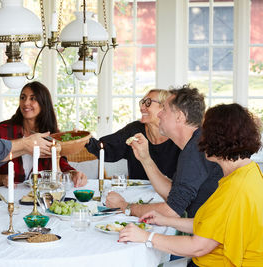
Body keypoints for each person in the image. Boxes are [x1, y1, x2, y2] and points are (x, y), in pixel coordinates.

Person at [118, 103, 263, 267]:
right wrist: (166, 221)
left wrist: (146, 237)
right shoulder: (248, 172)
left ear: (219, 138)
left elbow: (198, 247)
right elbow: (211, 227)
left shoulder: (236, 187)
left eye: (204, 133)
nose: (200, 139)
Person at [106, 85, 223, 218]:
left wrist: (125, 206)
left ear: (179, 117)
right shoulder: (195, 143)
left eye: (165, 109)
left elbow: (172, 210)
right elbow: (174, 195)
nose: (160, 114)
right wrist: (145, 159)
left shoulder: (195, 151)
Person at [0, 81, 87, 189]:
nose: (25, 103)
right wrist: (2, 179)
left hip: (41, 198)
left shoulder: (52, 134)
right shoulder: (2, 131)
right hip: (6, 199)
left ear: (43, 103)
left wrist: (74, 174)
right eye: (23, 97)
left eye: (33, 98)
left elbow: (61, 163)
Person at [86, 89, 181, 180]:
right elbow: (108, 149)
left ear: (165, 106)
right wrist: (86, 140)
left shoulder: (177, 137)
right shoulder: (134, 129)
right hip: (137, 193)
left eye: (148, 102)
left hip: (170, 194)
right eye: (142, 102)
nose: (142, 108)